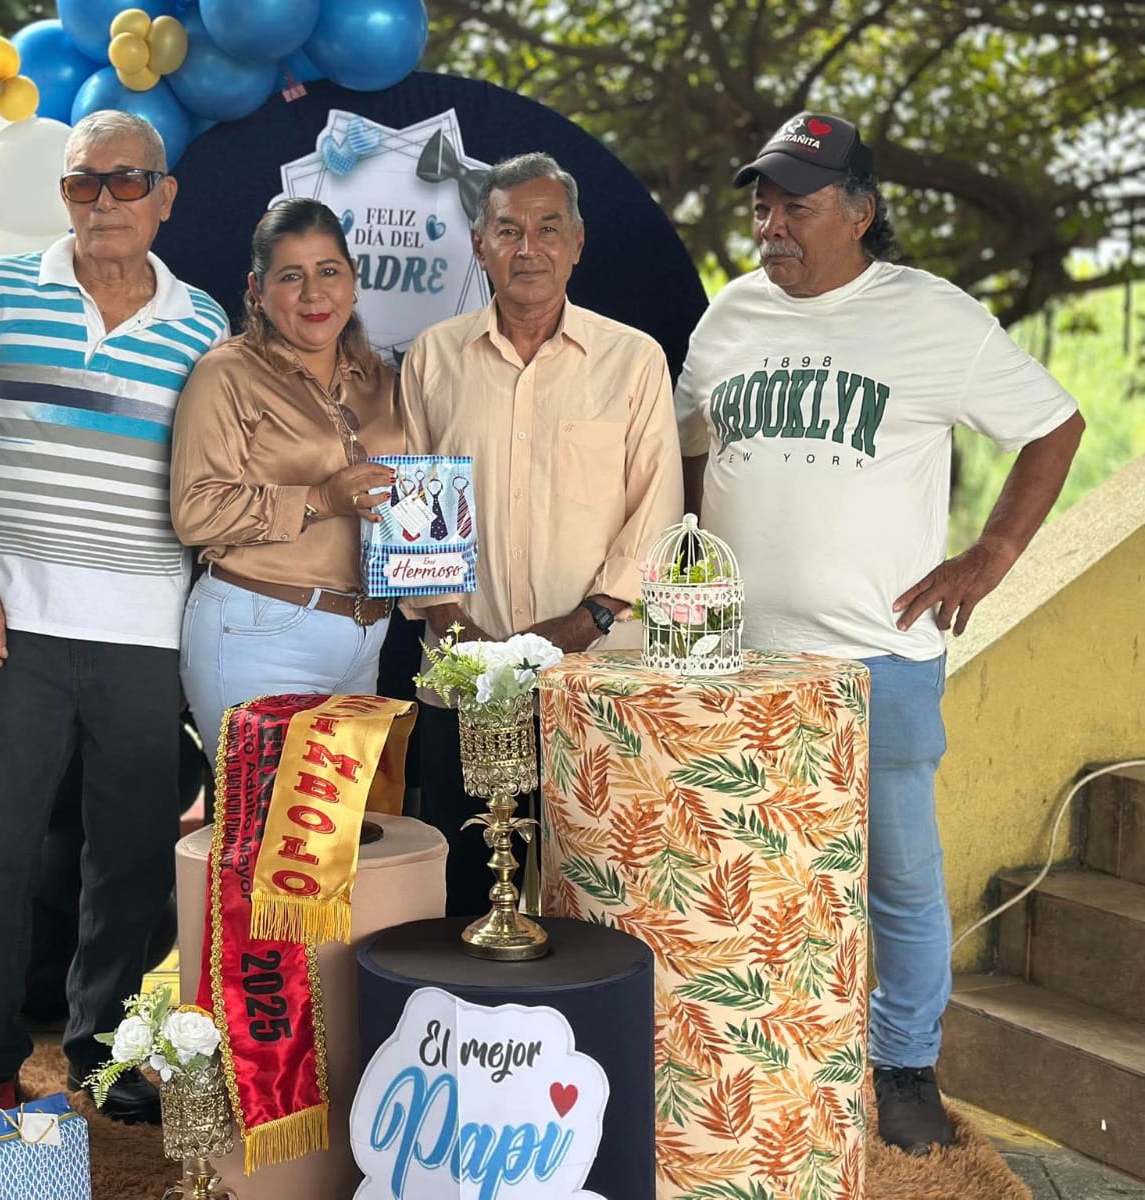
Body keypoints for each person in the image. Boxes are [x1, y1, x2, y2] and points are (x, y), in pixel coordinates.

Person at [674, 112, 1084, 1153]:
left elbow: (1054, 425)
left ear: (859, 213)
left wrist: (991, 555)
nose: (771, 225)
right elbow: (688, 450)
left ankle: (903, 1068)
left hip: (878, 658)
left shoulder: (931, 316)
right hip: (738, 659)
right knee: (749, 866)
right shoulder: (729, 317)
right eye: (762, 206)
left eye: (796, 206)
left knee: (896, 877)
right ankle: (765, 1066)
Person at [0, 110, 228, 1118]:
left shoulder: (203, 326)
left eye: (125, 180)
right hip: (13, 622)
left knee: (132, 859)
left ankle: (101, 1052)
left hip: (147, 632)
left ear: (164, 195)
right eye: (81, 183)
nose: (103, 201)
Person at [399, 152, 684, 916]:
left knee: (596, 899)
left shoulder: (632, 360)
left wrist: (583, 624)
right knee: (465, 901)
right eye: (508, 230)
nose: (528, 248)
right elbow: (413, 510)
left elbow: (658, 511)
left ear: (578, 242)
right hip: (465, 684)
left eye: (548, 229)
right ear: (479, 245)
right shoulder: (434, 357)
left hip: (594, 681)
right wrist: (455, 631)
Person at [171, 198, 400, 760]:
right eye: (291, 276)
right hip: (258, 631)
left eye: (329, 271)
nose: (314, 293)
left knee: (340, 818)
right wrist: (320, 498)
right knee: (263, 813)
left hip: (366, 638)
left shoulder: (383, 381)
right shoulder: (227, 373)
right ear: (257, 289)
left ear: (353, 279)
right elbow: (195, 511)